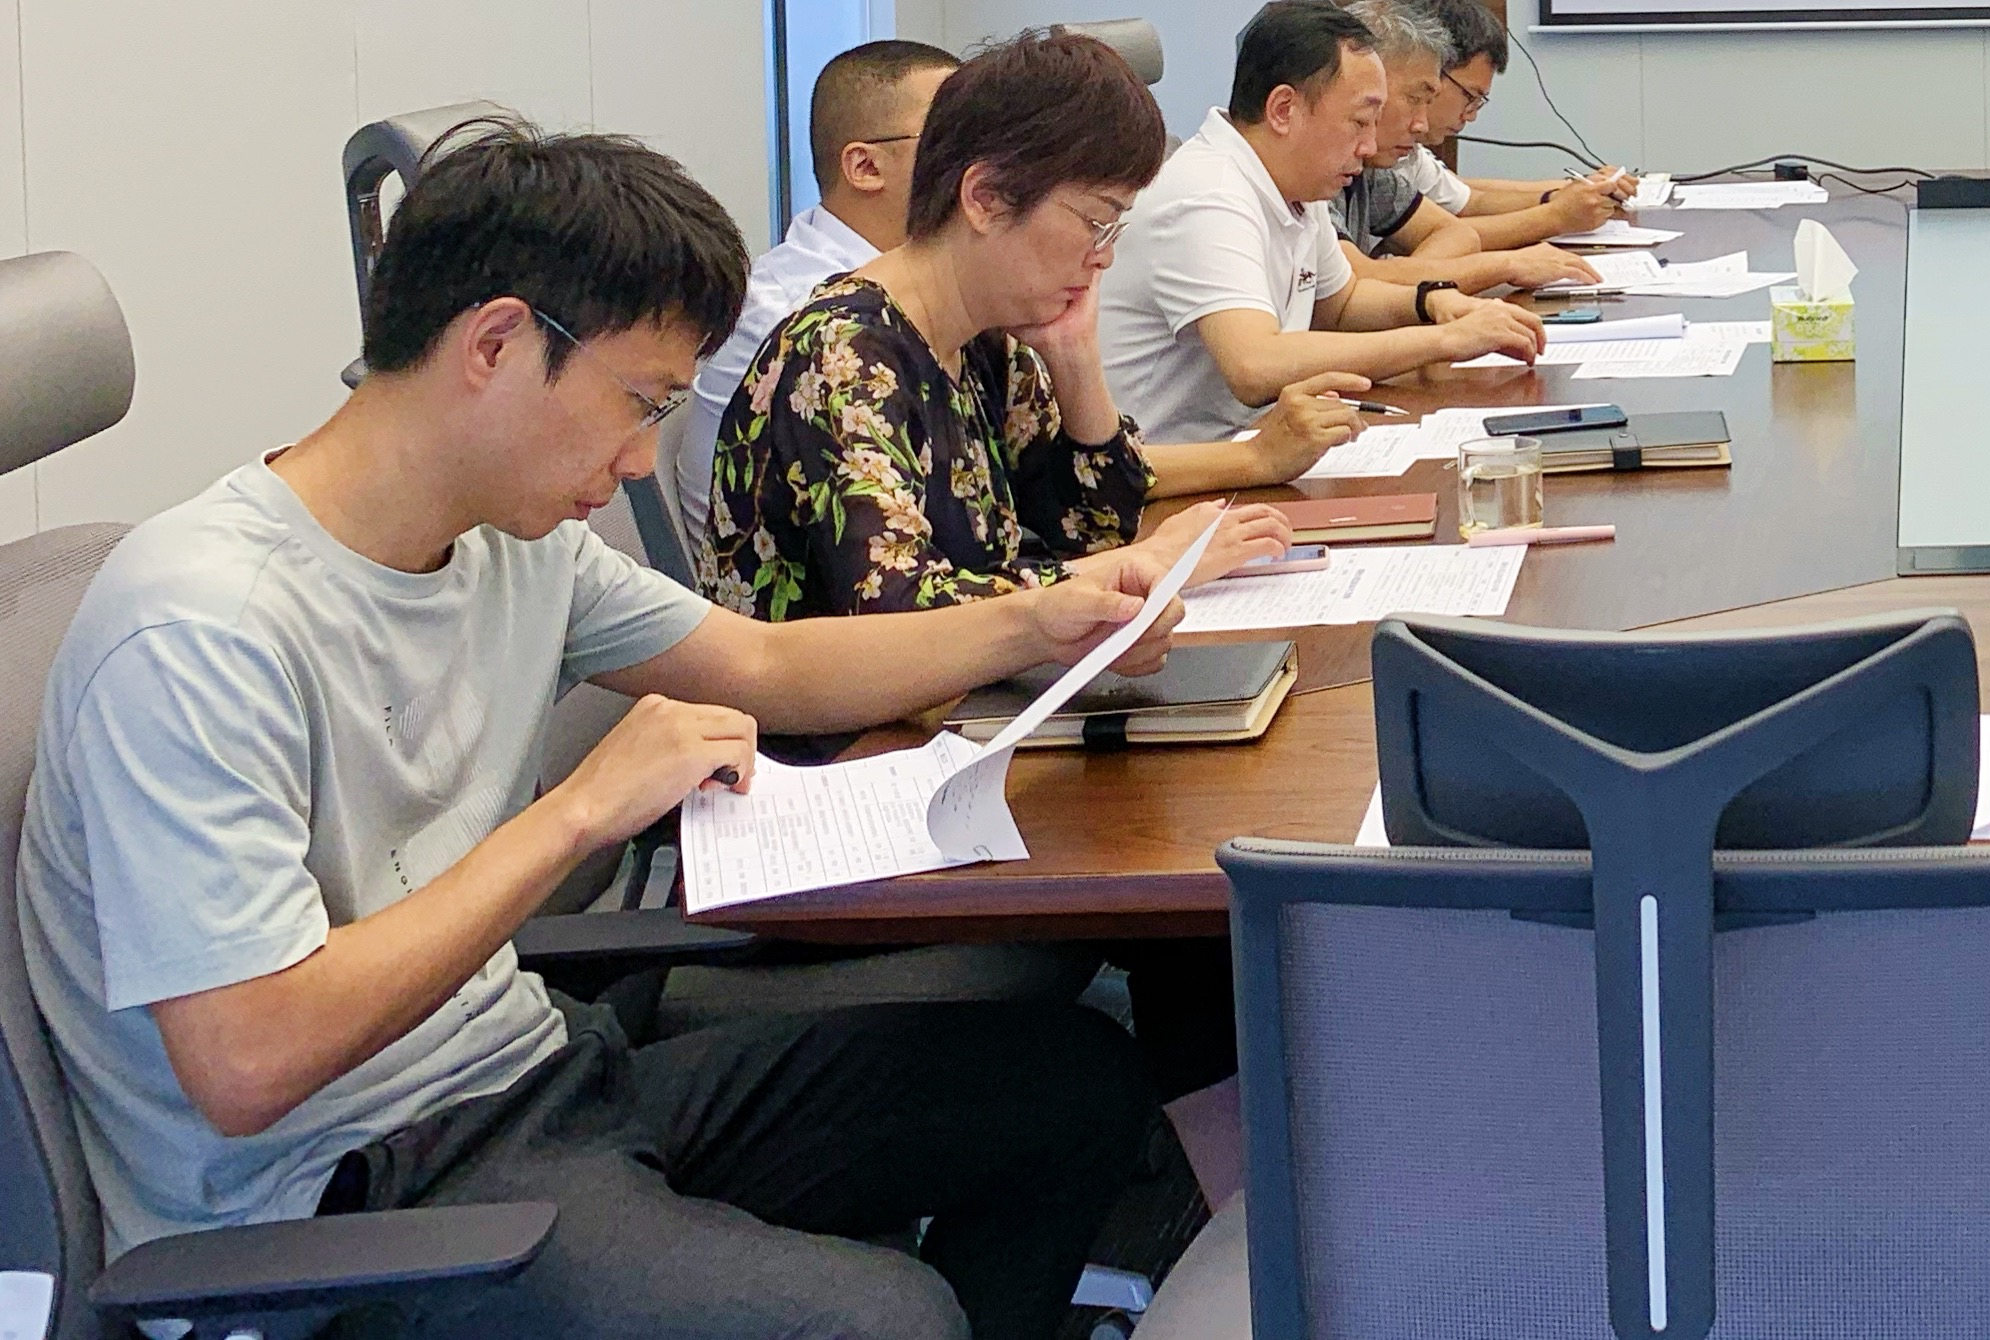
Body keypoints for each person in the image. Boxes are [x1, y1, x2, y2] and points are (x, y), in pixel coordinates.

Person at [18, 121, 1187, 1336]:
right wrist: (577, 812)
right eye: (638, 404)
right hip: (346, 1199)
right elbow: (247, 1061)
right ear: (495, 343)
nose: (638, 461)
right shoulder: (202, 625)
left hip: (531, 1076)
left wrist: (1036, 622)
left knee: (1070, 1086)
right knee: (881, 1321)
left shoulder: (505, 538)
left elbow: (767, 663)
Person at [703, 31, 1305, 625]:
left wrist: (1075, 357)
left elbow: (1091, 528)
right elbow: (902, 613)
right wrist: (1143, 565)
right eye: (1096, 222)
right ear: (985, 198)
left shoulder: (988, 342)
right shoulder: (842, 356)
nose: (1104, 257)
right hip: (863, 692)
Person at [1098, 0, 1554, 450]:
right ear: (1283, 110)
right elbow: (1255, 365)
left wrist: (1432, 302)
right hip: (1179, 474)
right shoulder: (1208, 193)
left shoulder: (1295, 181)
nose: (1369, 145)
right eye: (1359, 122)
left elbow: (1342, 302)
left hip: (1262, 444)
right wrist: (1444, 340)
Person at [658, 38, 957, 557]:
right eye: (953, 140)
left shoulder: (926, 294)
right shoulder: (798, 318)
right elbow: (879, 567)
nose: (983, 165)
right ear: (865, 167)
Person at [1324, 0, 1601, 294]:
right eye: (1415, 99)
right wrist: (1505, 265)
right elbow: (1355, 282)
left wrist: (1409, 276)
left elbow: (1458, 231)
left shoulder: (1370, 170)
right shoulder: (1316, 175)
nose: (1421, 124)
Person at [1401, 0, 1635, 249]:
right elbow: (1424, 237)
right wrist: (1556, 216)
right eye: (1470, 96)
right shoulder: (1382, 149)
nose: (1471, 115)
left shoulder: (1408, 150)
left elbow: (1467, 200)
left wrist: (1569, 194)